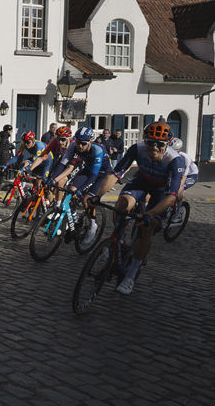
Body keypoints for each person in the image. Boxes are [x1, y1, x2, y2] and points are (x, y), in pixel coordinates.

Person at [91, 122, 183, 295]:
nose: (154, 148)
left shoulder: (174, 160)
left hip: (162, 191)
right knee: (122, 205)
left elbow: (171, 196)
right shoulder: (137, 149)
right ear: (144, 141)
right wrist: (97, 196)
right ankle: (120, 241)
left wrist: (149, 214)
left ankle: (130, 276)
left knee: (147, 226)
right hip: (142, 180)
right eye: (150, 142)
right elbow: (116, 174)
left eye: (160, 144)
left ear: (167, 144)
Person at [47, 126, 111, 244]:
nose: (80, 146)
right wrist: (51, 179)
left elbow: (94, 176)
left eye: (83, 143)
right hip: (87, 170)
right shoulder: (73, 146)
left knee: (86, 199)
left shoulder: (98, 150)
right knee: (70, 190)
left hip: (102, 175)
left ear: (90, 142)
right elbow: (63, 163)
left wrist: (81, 190)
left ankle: (92, 226)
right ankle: (72, 220)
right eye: (77, 142)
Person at [170, 138, 197, 212]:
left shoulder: (185, 159)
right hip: (178, 174)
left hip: (190, 175)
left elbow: (183, 177)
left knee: (178, 190)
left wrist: (177, 187)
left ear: (179, 150)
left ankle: (179, 209)